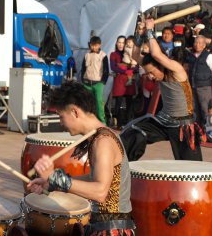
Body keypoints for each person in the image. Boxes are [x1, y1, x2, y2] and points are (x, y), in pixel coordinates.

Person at [27, 81, 136, 235]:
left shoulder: (103, 142)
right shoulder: (98, 137)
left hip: (111, 230)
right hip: (104, 225)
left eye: (61, 116)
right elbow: (94, 178)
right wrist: (51, 182)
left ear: (75, 112)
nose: (60, 123)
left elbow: (99, 191)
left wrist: (56, 178)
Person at [120, 18, 205, 161]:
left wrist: (150, 30)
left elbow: (156, 54)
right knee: (133, 131)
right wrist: (139, 33)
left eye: (152, 72)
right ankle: (124, 166)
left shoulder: (177, 71)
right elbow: (135, 55)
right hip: (162, 120)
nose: (151, 77)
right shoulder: (156, 70)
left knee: (192, 168)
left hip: (183, 126)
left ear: (160, 66)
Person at [186, 35, 212, 129]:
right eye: (195, 42)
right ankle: (197, 128)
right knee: (194, 109)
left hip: (204, 87)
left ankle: (206, 129)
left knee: (205, 109)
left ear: (204, 45)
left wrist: (208, 82)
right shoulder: (190, 55)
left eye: (200, 43)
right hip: (193, 86)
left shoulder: (209, 56)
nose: (197, 45)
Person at [110, 36, 138, 128]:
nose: (121, 44)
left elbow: (137, 66)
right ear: (116, 43)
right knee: (118, 101)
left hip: (129, 79)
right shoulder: (113, 54)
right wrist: (125, 71)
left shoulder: (131, 53)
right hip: (119, 80)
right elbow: (113, 67)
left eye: (123, 42)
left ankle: (129, 122)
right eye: (119, 42)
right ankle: (118, 123)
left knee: (129, 102)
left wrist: (132, 69)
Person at [81, 36, 109, 123]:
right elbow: (83, 68)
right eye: (92, 45)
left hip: (98, 83)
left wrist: (103, 82)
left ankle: (102, 121)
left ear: (99, 45)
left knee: (99, 102)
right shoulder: (87, 55)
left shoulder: (103, 55)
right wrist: (83, 79)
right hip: (87, 82)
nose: (93, 47)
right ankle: (88, 120)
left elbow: (106, 70)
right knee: (87, 102)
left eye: (95, 45)